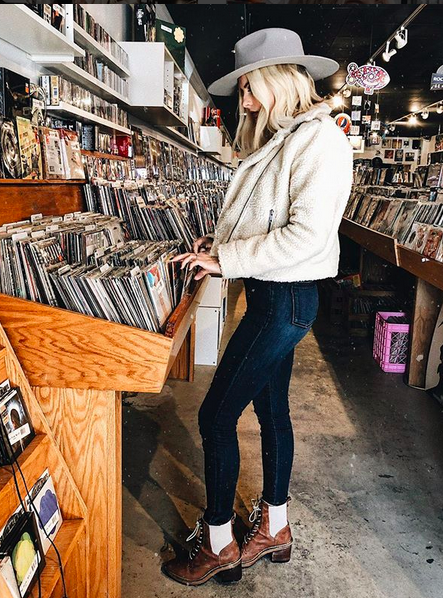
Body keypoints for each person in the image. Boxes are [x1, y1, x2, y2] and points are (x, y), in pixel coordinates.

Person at [162, 27, 353, 586]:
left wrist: (226, 258)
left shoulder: (319, 140)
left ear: (277, 79)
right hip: (275, 296)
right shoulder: (288, 137)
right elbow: (265, 215)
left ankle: (219, 543)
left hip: (283, 300)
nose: (243, 101)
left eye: (248, 87)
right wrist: (218, 245)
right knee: (271, 413)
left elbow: (306, 237)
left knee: (215, 416)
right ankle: (275, 527)